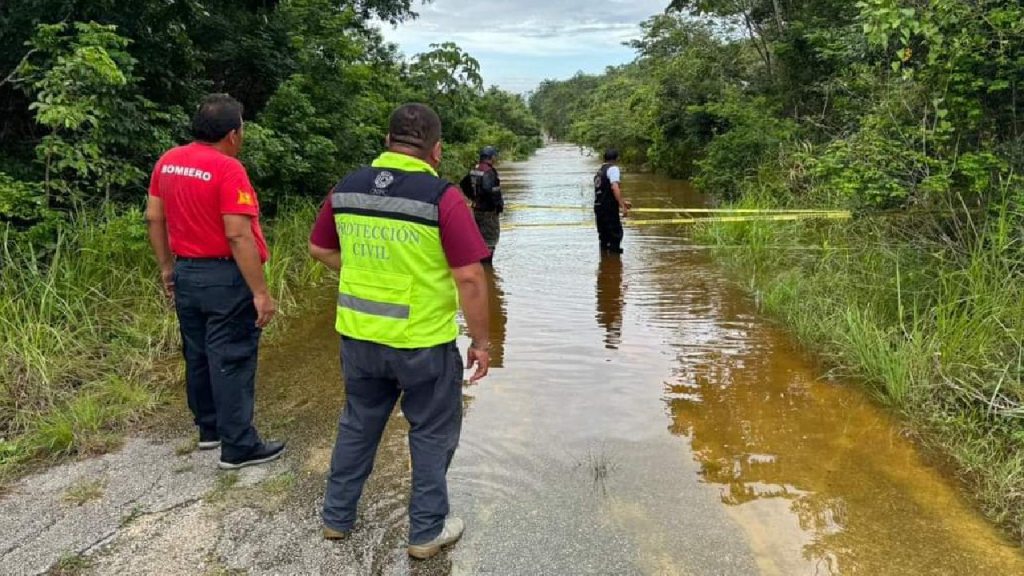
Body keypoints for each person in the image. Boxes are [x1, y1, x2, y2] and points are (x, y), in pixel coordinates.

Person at [309, 103, 492, 560]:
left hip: (359, 336)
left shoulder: (347, 186)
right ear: (436, 149)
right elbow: (470, 277)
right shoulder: (442, 196)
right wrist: (482, 342)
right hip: (422, 344)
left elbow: (319, 248)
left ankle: (336, 518)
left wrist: (369, 274)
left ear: (387, 141)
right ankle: (427, 532)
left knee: (358, 423)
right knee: (431, 432)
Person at [146, 94, 285, 470]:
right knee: (232, 356)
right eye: (241, 126)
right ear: (232, 133)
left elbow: (154, 218)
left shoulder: (168, 162)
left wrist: (166, 266)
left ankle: (209, 430)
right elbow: (238, 235)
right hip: (225, 277)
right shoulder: (227, 168)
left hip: (187, 273)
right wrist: (260, 292)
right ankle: (239, 446)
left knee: (199, 353)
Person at [459, 146, 503, 264]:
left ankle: (481, 267)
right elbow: (490, 190)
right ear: (491, 157)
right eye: (494, 156)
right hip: (488, 212)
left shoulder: (475, 169)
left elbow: (463, 184)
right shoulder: (489, 171)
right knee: (490, 240)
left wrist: (473, 198)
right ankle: (487, 269)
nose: (495, 159)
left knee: (479, 238)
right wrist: (498, 206)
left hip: (477, 210)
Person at [593, 148, 631, 254]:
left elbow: (605, 192)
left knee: (603, 238)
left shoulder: (599, 172)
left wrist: (622, 202)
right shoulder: (613, 169)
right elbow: (614, 188)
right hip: (609, 209)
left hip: (599, 208)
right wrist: (622, 207)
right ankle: (615, 266)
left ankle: (604, 265)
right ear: (616, 159)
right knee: (615, 235)